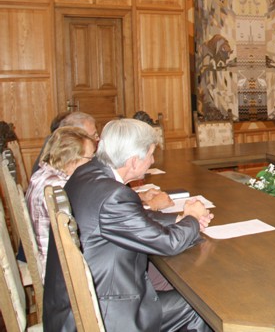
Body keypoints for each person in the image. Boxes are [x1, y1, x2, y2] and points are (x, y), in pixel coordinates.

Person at [43, 119, 213, 332]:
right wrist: (192, 219)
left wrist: (177, 220)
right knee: (201, 306)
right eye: (150, 154)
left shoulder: (87, 172)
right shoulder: (113, 195)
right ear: (133, 162)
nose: (152, 161)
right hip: (102, 313)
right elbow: (169, 243)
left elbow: (131, 217)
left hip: (73, 306)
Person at [26, 127, 97, 279]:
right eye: (90, 159)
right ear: (71, 159)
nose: (93, 164)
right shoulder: (61, 189)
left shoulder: (42, 174)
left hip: (48, 260)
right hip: (62, 271)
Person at [32, 111, 100, 175]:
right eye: (93, 135)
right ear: (75, 136)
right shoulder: (61, 158)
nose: (98, 138)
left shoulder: (57, 144)